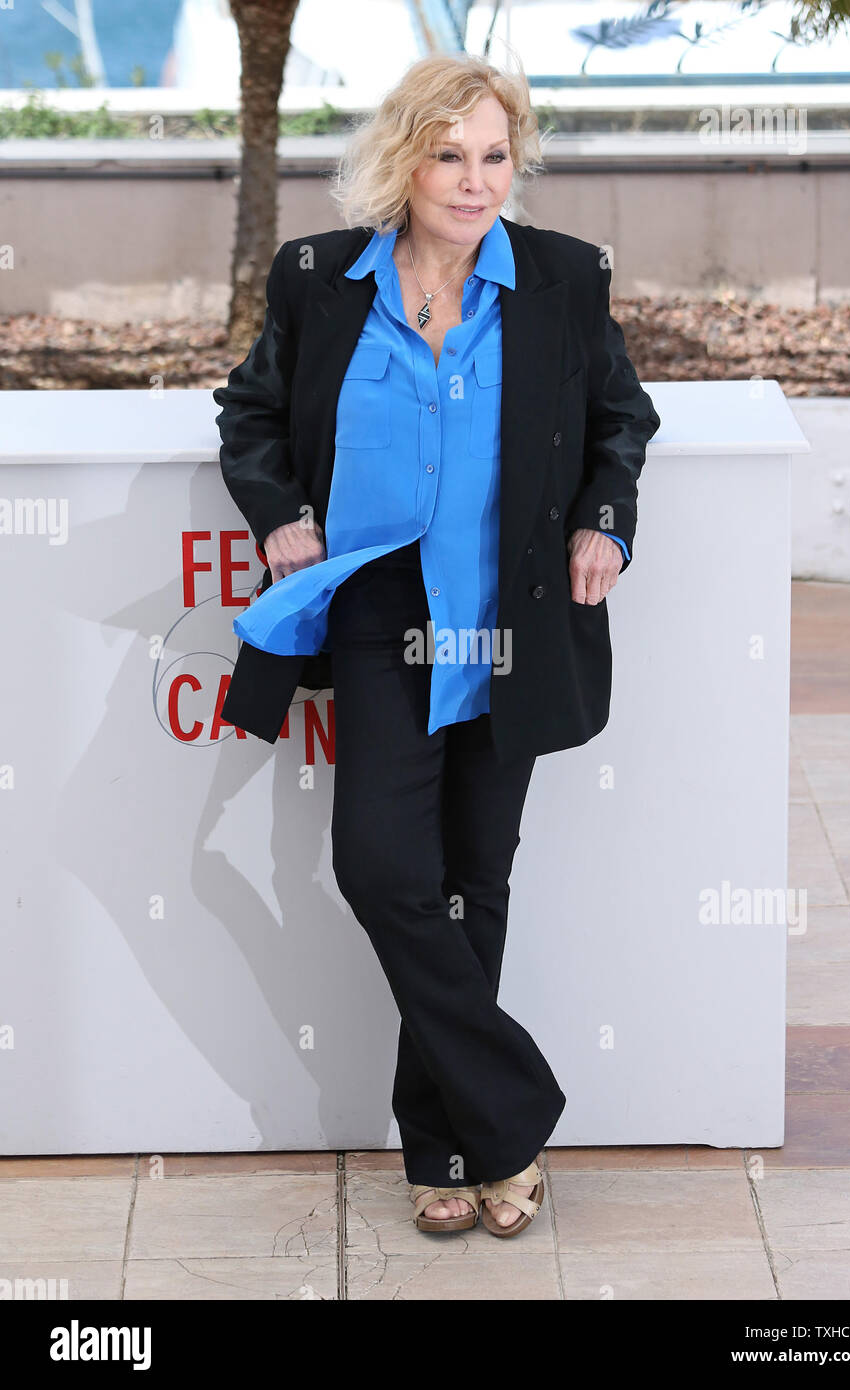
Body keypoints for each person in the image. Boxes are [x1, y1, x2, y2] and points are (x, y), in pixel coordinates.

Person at [213, 51, 661, 1238]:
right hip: (380, 612)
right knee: (380, 867)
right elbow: (251, 411)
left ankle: (445, 1149)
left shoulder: (561, 279)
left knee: (476, 883)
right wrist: (280, 515)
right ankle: (514, 1114)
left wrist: (600, 521)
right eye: (448, 155)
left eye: (494, 157)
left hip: (509, 616)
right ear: (403, 160)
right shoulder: (319, 277)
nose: (474, 182)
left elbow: (622, 419)